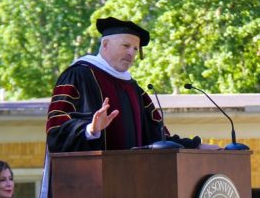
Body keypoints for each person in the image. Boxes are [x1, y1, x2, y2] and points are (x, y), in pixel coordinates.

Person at [44, 17, 199, 154]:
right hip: (92, 179)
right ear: (105, 44)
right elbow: (56, 128)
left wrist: (195, 146)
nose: (131, 53)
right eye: (126, 46)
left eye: (135, 49)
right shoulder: (79, 75)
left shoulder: (134, 89)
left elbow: (157, 137)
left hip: (133, 177)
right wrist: (91, 129)